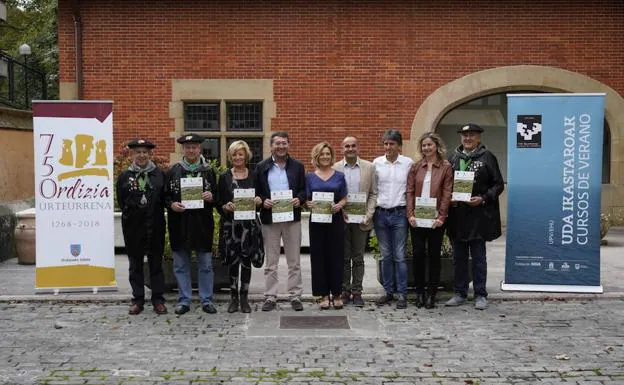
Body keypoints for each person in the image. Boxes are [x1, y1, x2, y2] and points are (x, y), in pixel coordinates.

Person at [445, 123, 504, 310]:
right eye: (464, 135)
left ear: (479, 138)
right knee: (458, 258)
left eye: (471, 135)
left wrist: (483, 198)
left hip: (479, 216)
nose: (467, 138)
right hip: (457, 216)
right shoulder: (453, 158)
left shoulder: (487, 157)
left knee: (479, 258)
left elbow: (498, 185)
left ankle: (480, 294)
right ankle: (460, 292)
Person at [164, 133, 218, 315]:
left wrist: (212, 197)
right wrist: (171, 204)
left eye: (194, 147)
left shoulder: (208, 171)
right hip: (179, 224)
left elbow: (218, 196)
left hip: (202, 224)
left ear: (200, 149)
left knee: (205, 264)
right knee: (180, 265)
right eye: (188, 147)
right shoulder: (173, 171)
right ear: (183, 149)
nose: (191, 150)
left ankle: (206, 299)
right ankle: (184, 300)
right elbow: (165, 197)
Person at [255, 131, 306, 312]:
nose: (281, 147)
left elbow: (303, 190)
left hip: (292, 218)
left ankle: (295, 295)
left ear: (288, 145)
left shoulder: (298, 167)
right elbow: (257, 192)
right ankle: (270, 296)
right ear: (271, 146)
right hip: (270, 219)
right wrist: (263, 200)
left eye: (284, 143)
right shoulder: (261, 167)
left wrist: (299, 199)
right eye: (277, 144)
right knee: (271, 261)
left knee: (294, 260)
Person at [116, 139, 167, 315]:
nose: (142, 155)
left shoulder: (159, 174)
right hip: (133, 227)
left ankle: (158, 299)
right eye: (138, 152)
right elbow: (122, 201)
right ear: (132, 154)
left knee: (156, 264)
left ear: (150, 154)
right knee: (135, 265)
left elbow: (165, 199)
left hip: (156, 225)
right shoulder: (125, 176)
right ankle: (137, 299)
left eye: (145, 152)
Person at [406, 132, 453, 309]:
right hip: (417, 219)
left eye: (429, 145)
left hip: (436, 219)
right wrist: (410, 214)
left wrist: (442, 216)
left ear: (437, 147)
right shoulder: (416, 167)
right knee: (418, 254)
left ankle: (432, 294)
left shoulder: (446, 167)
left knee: (434, 256)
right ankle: (419, 293)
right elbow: (409, 191)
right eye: (424, 145)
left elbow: (447, 193)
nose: (426, 148)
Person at [217, 140, 264, 313]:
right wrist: (225, 206)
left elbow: (260, 197)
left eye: (240, 154)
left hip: (249, 226)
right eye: (234, 154)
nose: (238, 157)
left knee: (246, 261)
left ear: (246, 156)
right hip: (231, 226)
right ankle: (233, 298)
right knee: (232, 262)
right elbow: (218, 202)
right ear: (230, 156)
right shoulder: (224, 177)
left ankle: (244, 298)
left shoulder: (254, 175)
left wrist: (259, 201)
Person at [332, 136, 377, 307]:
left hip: (361, 220)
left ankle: (357, 291)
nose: (350, 149)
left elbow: (373, 193)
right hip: (341, 219)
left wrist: (369, 214)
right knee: (343, 257)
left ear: (358, 147)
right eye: (346, 146)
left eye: (353, 146)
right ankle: (345, 290)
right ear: (342, 148)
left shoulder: (369, 167)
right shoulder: (335, 168)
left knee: (358, 257)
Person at [373, 129, 414, 309]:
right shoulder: (377, 163)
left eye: (392, 144)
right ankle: (388, 292)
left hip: (399, 213)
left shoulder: (408, 164)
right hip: (380, 213)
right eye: (386, 144)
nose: (388, 147)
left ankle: (402, 294)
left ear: (399, 146)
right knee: (385, 255)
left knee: (399, 255)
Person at [306, 142, 348, 310]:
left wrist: (340, 205)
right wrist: (307, 204)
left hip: (335, 220)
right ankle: (323, 295)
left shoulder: (339, 176)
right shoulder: (309, 177)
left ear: (331, 157)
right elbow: (306, 199)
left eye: (328, 154)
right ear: (317, 156)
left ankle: (337, 294)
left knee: (336, 256)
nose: (325, 157)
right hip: (316, 220)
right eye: (322, 154)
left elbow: (345, 197)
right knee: (318, 257)